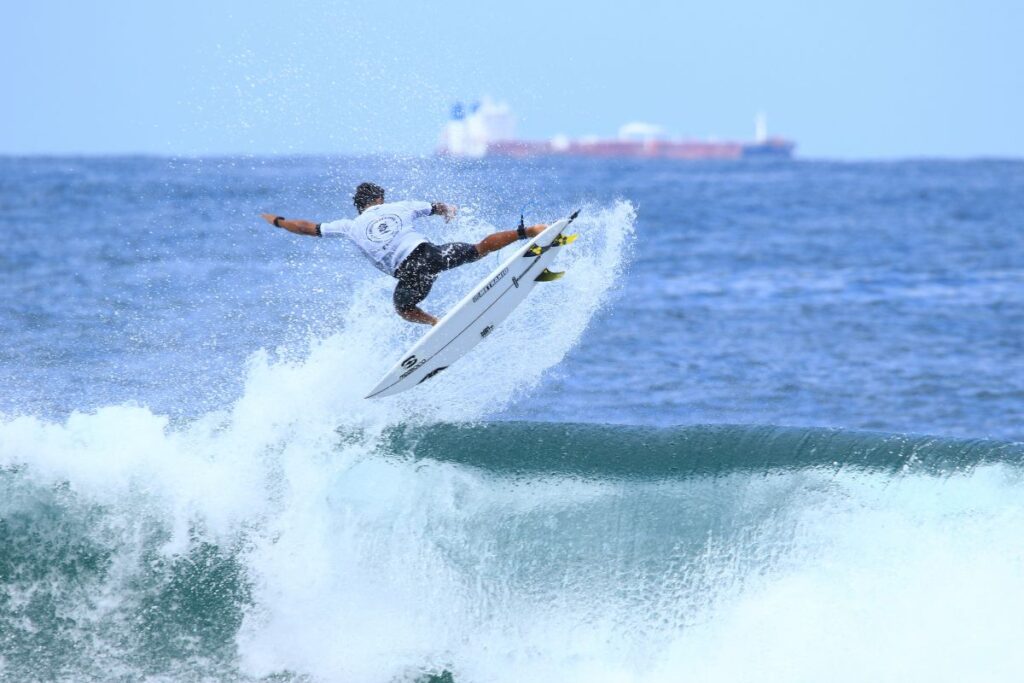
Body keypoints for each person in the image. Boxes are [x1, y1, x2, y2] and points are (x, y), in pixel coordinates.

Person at [261, 182, 547, 325]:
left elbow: (307, 227)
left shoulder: (349, 226)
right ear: (379, 199)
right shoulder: (400, 206)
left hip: (411, 275)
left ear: (358, 206)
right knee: (478, 249)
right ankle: (529, 231)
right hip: (432, 255)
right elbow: (438, 206)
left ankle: (437, 324)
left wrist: (279, 221)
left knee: (403, 309)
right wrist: (446, 209)